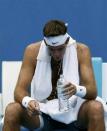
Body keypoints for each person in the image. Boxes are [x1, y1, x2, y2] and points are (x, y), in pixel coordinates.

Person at [3, 19, 105, 131]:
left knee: (96, 108)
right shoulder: (32, 52)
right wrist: (29, 102)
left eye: (60, 49)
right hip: (42, 112)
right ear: (46, 44)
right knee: (12, 110)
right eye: (52, 49)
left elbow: (93, 91)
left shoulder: (81, 51)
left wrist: (76, 89)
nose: (56, 54)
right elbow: (19, 91)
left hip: (75, 112)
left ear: (66, 42)